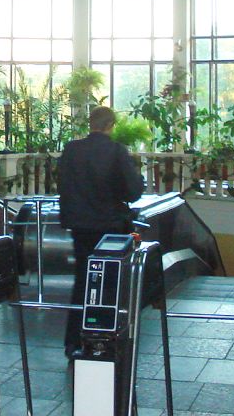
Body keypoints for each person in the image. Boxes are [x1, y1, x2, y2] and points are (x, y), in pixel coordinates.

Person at [58, 105, 145, 359]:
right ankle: (102, 337)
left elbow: (63, 183)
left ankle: (73, 341)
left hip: (80, 226)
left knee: (82, 281)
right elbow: (132, 192)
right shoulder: (116, 151)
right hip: (109, 226)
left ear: (91, 123)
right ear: (111, 125)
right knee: (108, 283)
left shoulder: (72, 150)